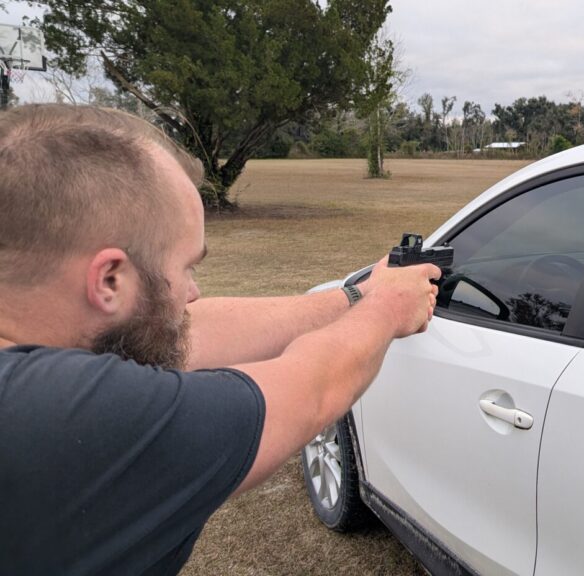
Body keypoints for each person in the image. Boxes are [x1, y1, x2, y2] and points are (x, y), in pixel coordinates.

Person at [0, 104, 441, 575]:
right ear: (109, 280)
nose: (193, 292)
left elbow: (186, 331)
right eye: (187, 267)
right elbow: (311, 389)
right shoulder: (70, 419)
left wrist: (356, 295)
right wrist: (387, 310)